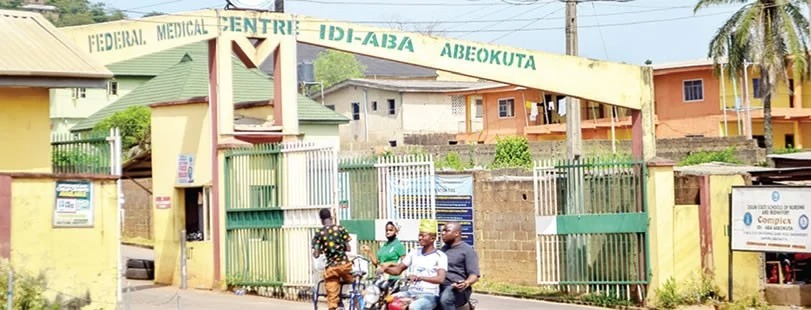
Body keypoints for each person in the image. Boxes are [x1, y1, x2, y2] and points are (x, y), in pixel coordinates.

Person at [381, 219, 448, 310]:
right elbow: (398, 270)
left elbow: (440, 279)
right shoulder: (414, 252)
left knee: (413, 307)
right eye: (419, 235)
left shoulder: (440, 256)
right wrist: (384, 269)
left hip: (429, 295)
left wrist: (420, 277)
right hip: (410, 292)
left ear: (432, 238)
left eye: (423, 236)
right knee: (387, 300)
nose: (420, 238)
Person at [311, 208, 353, 310]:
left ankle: (335, 306)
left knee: (332, 299)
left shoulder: (319, 233)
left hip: (331, 269)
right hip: (344, 266)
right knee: (354, 283)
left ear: (321, 219)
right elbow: (348, 248)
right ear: (331, 217)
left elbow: (316, 255)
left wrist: (320, 250)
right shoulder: (340, 229)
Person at [439, 221, 480, 310]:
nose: (443, 233)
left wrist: (466, 283)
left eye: (447, 231)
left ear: (456, 233)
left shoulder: (467, 250)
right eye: (443, 231)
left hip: (456, 288)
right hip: (439, 285)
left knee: (445, 299)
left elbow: (474, 275)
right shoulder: (442, 250)